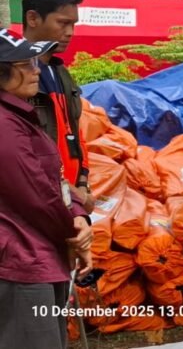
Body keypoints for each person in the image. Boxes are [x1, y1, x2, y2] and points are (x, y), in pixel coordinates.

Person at [0, 28, 93, 348]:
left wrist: (78, 215)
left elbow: (55, 180)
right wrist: (74, 234)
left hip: (40, 256)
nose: (36, 70)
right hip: (21, 262)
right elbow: (37, 196)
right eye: (25, 64)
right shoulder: (5, 126)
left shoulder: (19, 115)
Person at [21, 0, 94, 212]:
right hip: (40, 203)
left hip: (68, 200)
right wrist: (73, 196)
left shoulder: (61, 73)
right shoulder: (13, 78)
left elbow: (76, 133)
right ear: (33, 18)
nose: (70, 32)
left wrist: (83, 183)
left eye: (73, 24)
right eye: (63, 23)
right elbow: (22, 154)